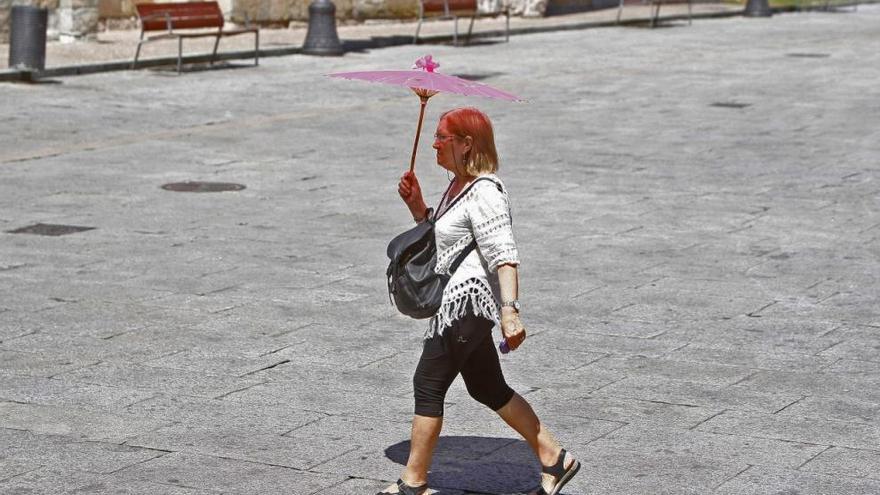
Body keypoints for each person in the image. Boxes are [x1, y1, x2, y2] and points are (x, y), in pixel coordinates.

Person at [380, 107, 580, 495]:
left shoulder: (486, 190)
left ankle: (414, 483)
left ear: (467, 144)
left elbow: (504, 254)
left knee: (428, 382)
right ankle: (555, 457)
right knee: (487, 387)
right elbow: (445, 241)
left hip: (467, 303)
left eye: (442, 137)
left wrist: (510, 313)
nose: (434, 144)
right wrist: (418, 205)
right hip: (458, 302)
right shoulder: (458, 185)